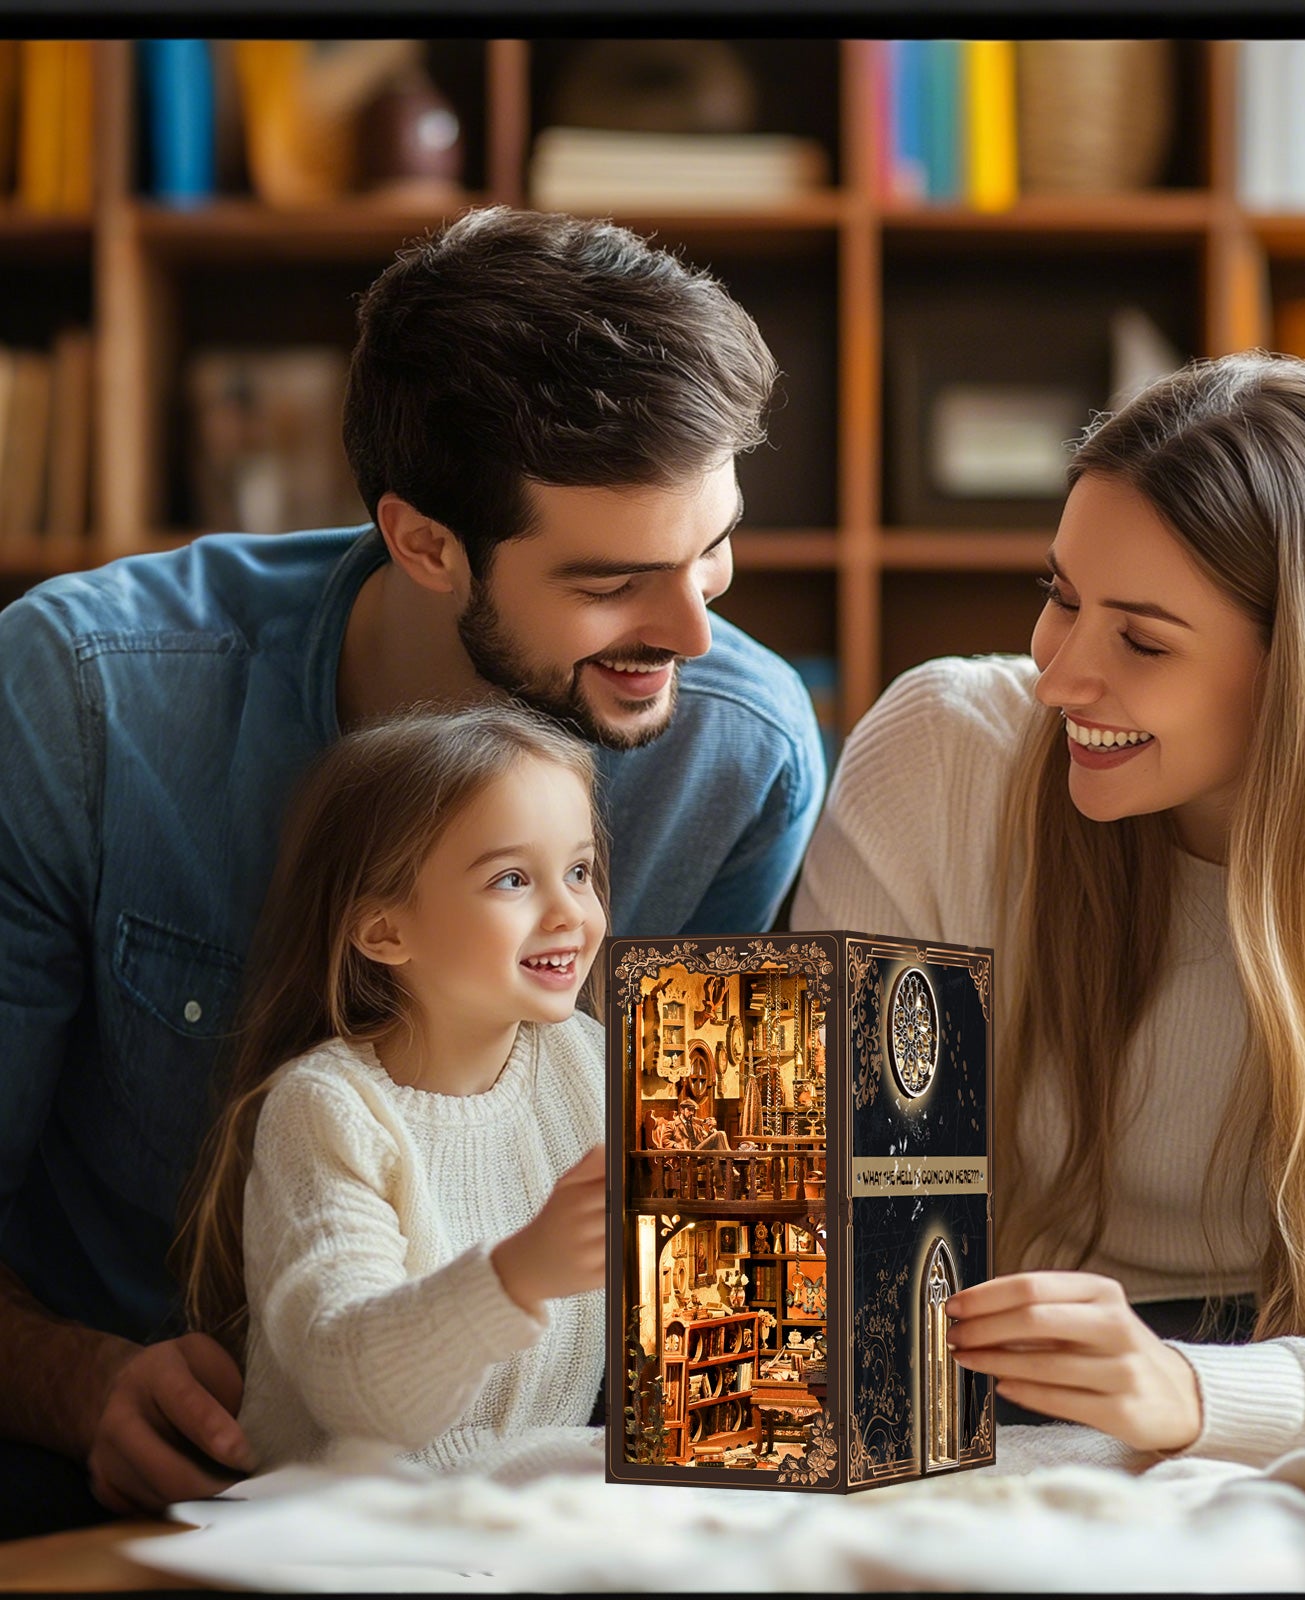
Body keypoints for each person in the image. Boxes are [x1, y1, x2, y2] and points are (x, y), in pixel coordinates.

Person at [0, 205, 825, 1530]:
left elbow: (707, 1280)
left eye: (713, 548)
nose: (693, 631)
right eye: (616, 581)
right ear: (426, 541)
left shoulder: (740, 761)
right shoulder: (85, 704)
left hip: (520, 1505)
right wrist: (76, 1383)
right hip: (99, 1488)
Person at [793, 352, 1305, 1471]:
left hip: (1247, 1432)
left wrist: (1175, 1387)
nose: (1058, 673)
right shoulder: (941, 759)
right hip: (954, 1423)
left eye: (1141, 640)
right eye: (1060, 596)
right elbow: (832, 1241)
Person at [180, 702, 607, 1477]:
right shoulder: (327, 1111)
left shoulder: (590, 1065)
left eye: (579, 871)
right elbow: (353, 1388)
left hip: (537, 1507)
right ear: (384, 933)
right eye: (513, 879)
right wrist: (521, 1272)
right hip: (352, 1525)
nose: (570, 912)